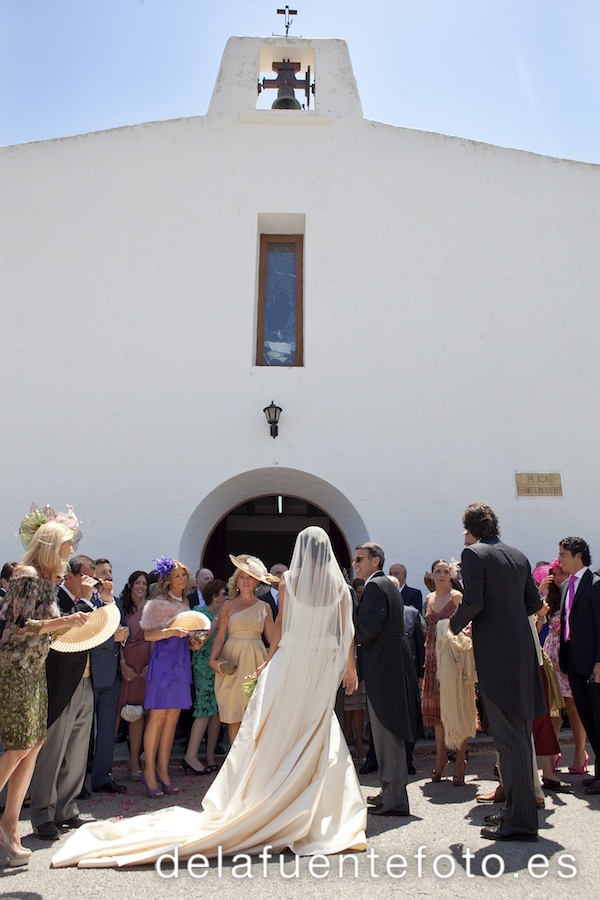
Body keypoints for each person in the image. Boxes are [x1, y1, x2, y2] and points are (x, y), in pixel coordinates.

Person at [51, 526, 367, 868]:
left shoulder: (290, 581)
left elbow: (285, 630)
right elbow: (345, 629)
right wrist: (349, 668)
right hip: (321, 661)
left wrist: (272, 663)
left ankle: (284, 795)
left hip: (294, 659)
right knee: (317, 723)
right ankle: (317, 804)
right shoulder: (339, 585)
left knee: (287, 725)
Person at [450, 502, 545, 842]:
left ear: (470, 528)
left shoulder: (474, 554)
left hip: (498, 651)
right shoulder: (518, 554)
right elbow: (534, 603)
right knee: (517, 733)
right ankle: (518, 812)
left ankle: (520, 821)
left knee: (509, 738)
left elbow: (473, 602)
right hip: (520, 646)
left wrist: (454, 624)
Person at [0, 517, 87, 865]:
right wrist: (64, 622)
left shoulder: (48, 581)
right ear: (52, 544)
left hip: (35, 671)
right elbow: (18, 627)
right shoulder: (27, 576)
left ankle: (10, 826)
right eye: (68, 543)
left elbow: (43, 632)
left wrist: (79, 627)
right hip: (16, 670)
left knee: (34, 746)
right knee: (20, 745)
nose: (71, 550)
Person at [29, 553, 105, 840]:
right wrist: (87, 599)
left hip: (86, 679)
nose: (90, 582)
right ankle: (42, 814)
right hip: (62, 682)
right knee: (54, 750)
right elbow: (64, 631)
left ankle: (66, 808)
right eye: (85, 575)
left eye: (92, 577)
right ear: (70, 576)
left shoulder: (88, 601)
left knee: (77, 748)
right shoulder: (56, 600)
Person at [353, 542, 419, 817]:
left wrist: (347, 631)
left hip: (384, 668)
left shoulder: (375, 587)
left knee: (387, 733)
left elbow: (368, 629)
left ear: (375, 562)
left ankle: (395, 800)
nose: (355, 563)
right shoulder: (386, 585)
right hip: (391, 665)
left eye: (360, 559)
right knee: (384, 735)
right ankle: (388, 792)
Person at [210, 554, 277, 745]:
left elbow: (272, 640)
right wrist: (213, 660)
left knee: (255, 712)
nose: (246, 580)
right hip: (232, 660)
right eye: (242, 576)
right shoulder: (227, 606)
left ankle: (253, 760)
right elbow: (220, 636)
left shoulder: (265, 607)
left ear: (256, 581)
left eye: (250, 576)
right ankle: (235, 761)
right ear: (236, 581)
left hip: (256, 659)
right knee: (234, 713)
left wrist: (269, 662)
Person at [140, 557, 193, 798]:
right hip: (163, 663)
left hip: (181, 662)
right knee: (158, 718)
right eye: (178, 576)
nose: (182, 579)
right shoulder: (157, 603)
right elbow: (148, 636)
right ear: (168, 580)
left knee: (173, 719)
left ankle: (163, 769)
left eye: (184, 575)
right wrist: (171, 631)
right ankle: (149, 770)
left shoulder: (186, 603)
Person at [557, 536, 600, 794]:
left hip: (591, 664)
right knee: (586, 716)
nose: (560, 559)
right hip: (572, 660)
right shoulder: (566, 586)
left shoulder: (594, 585)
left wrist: (598, 662)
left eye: (563, 554)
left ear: (578, 556)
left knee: (598, 718)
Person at [422, 559, 469, 784]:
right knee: (438, 714)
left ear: (451, 575)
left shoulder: (457, 597)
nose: (442, 575)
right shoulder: (429, 598)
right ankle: (440, 759)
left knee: (457, 708)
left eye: (446, 571)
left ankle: (460, 760)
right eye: (438, 571)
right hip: (432, 656)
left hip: (452, 657)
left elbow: (468, 627)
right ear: (431, 575)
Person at [183, 578, 227, 774]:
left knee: (216, 712)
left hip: (219, 668)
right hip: (202, 668)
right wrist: (216, 621)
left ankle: (210, 755)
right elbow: (198, 641)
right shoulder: (200, 613)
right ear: (215, 595)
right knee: (203, 710)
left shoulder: (226, 615)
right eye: (224, 593)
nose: (227, 596)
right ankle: (190, 756)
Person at [117, 570, 151, 781]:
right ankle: (103, 764)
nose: (141, 586)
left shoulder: (151, 608)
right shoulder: (121, 607)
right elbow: (118, 635)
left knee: (139, 712)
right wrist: (122, 663)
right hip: (127, 660)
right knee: (120, 709)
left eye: (144, 583)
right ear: (130, 586)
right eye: (137, 583)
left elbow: (157, 638)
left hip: (146, 662)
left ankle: (135, 760)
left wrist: (152, 664)